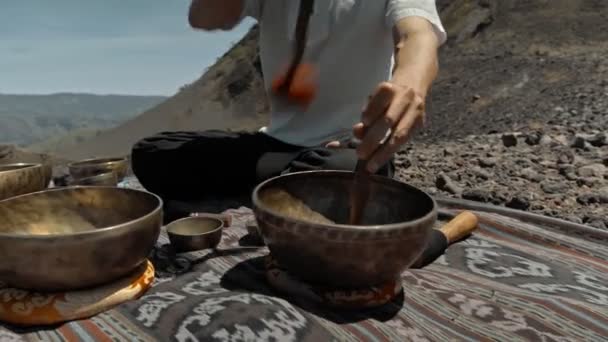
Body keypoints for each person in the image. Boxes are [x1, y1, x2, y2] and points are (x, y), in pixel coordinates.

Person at [131, 0, 446, 201]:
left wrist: (410, 84)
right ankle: (282, 195)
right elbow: (205, 17)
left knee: (339, 174)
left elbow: (417, 35)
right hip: (274, 148)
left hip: (347, 152)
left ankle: (270, 195)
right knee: (152, 153)